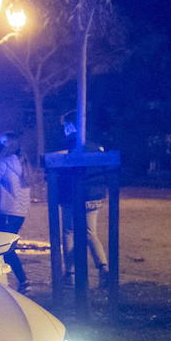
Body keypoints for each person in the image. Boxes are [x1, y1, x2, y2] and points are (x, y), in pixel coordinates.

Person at [56, 123, 110, 287]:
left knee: (69, 232)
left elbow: (60, 175)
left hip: (71, 197)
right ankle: (103, 268)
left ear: (69, 129)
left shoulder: (66, 149)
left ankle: (70, 274)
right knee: (90, 233)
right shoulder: (96, 147)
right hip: (94, 197)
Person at [0, 130, 32, 295]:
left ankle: (23, 280)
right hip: (20, 211)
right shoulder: (24, 162)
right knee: (4, 245)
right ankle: (2, 279)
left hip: (6, 210)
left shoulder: (3, 163)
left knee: (5, 247)